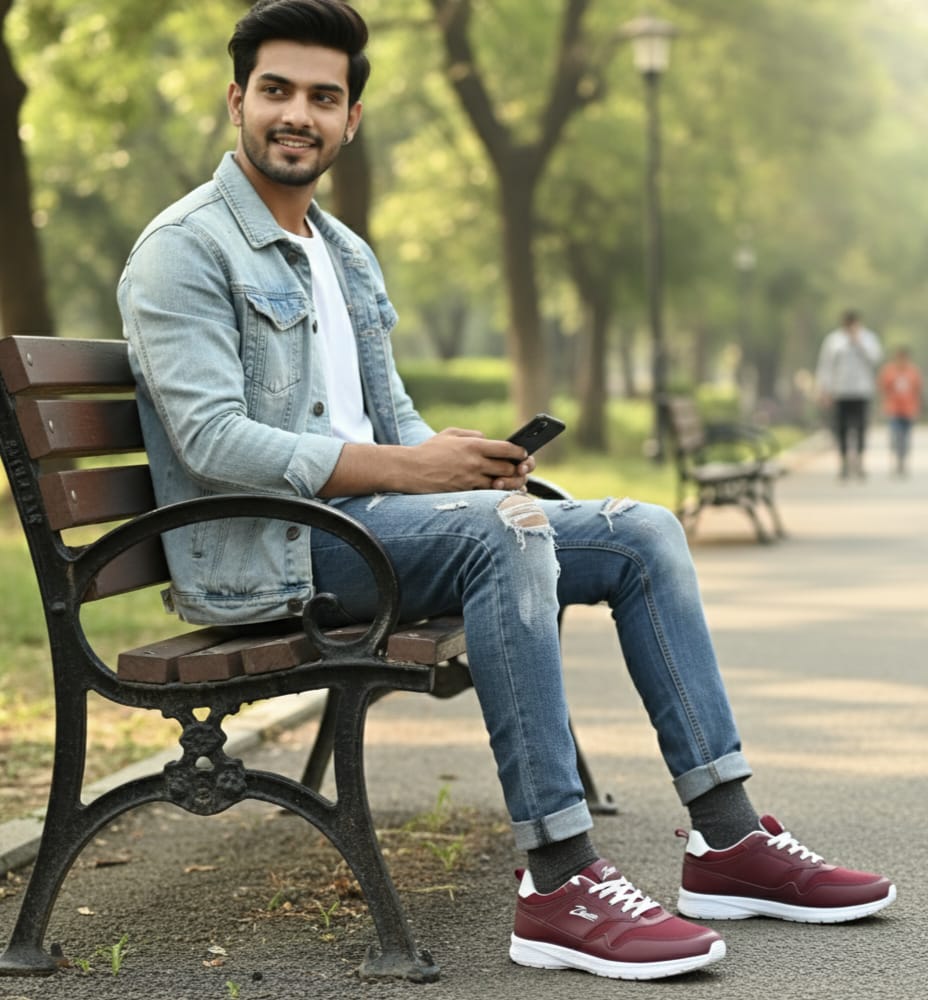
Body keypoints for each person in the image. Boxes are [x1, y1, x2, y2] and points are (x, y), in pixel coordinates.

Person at [117, 0, 895, 982]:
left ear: (351, 117)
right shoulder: (184, 248)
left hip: (370, 529)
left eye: (323, 96)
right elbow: (214, 441)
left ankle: (727, 839)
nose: (297, 114)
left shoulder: (343, 253)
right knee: (507, 535)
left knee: (644, 531)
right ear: (236, 100)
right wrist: (416, 475)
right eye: (276, 91)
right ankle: (560, 879)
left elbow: (387, 421)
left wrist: (461, 458)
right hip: (267, 551)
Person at [815, 309, 883, 479]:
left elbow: (876, 359)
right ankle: (844, 462)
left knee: (861, 428)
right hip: (840, 391)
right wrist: (824, 390)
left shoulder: (868, 338)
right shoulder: (833, 340)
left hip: (862, 391)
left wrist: (858, 342)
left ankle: (859, 462)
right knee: (841, 428)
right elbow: (826, 366)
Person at [878, 346, 922, 476]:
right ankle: (896, 460)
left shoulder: (913, 372)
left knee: (906, 438)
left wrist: (918, 408)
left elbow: (917, 391)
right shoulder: (889, 371)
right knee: (895, 436)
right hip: (893, 410)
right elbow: (883, 389)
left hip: (909, 410)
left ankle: (902, 461)